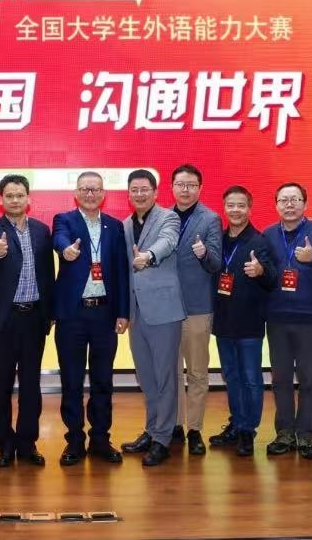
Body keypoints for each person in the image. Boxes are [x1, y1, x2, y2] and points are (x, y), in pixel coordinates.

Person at [52, 171, 130, 466]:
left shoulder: (114, 226)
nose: (90, 193)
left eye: (95, 189)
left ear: (103, 193)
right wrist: (66, 250)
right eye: (84, 189)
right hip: (72, 314)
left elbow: (120, 270)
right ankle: (74, 440)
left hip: (104, 314)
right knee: (71, 380)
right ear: (76, 193)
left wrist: (123, 311)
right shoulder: (64, 219)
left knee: (103, 380)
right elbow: (59, 238)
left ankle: (100, 438)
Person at [0, 174, 55, 468]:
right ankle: (5, 445)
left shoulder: (41, 230)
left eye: (20, 195)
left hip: (33, 317)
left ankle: (27, 443)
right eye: (9, 195)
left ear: (28, 198)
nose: (15, 200)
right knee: (1, 385)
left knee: (30, 385)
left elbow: (47, 274)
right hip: (5, 319)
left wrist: (49, 313)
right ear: (1, 200)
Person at [262, 182, 312, 460]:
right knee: (281, 378)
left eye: (295, 199)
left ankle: (306, 434)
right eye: (284, 200)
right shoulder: (268, 234)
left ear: (305, 204)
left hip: (308, 316)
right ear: (276, 205)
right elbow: (263, 270)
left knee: (308, 378)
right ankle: (284, 432)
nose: (289, 204)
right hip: (277, 316)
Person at [119, 169, 184, 467]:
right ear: (128, 194)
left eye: (144, 189)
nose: (139, 194)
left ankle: (163, 439)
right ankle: (151, 428)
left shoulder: (169, 218)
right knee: (146, 376)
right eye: (134, 190)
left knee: (165, 376)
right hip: (136, 312)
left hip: (164, 310)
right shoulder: (125, 225)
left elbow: (168, 242)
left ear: (156, 192)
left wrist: (148, 256)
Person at [208, 185, 275, 457]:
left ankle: (248, 430)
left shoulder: (259, 241)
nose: (235, 210)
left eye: (241, 205)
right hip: (223, 321)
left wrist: (261, 271)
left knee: (250, 378)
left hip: (249, 322)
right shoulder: (219, 240)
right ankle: (237, 424)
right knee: (231, 376)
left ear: (249, 208)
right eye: (230, 205)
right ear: (224, 208)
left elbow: (272, 278)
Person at [167, 164, 223, 455]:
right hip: (165, 308)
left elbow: (216, 264)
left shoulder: (210, 219)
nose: (185, 190)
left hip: (197, 307)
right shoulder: (161, 217)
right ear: (172, 187)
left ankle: (195, 429)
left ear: (200, 188)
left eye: (191, 185)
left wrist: (204, 254)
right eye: (180, 184)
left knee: (197, 372)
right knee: (171, 372)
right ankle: (175, 425)